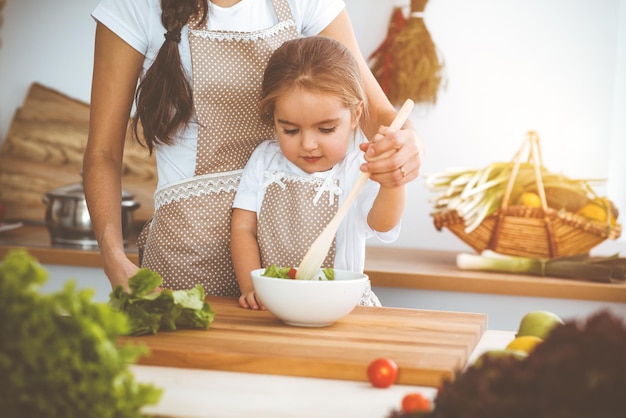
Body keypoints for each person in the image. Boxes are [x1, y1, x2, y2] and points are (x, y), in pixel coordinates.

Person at [83, 0, 425, 296]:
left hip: (289, 253)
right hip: (185, 256)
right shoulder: (134, 6)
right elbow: (103, 154)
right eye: (291, 129)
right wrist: (114, 259)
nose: (307, 141)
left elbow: (374, 110)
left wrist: (407, 145)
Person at [231, 36, 405, 310]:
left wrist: (392, 182)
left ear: (355, 115)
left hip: (342, 307)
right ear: (274, 117)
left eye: (325, 130)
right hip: (276, 304)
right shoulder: (265, 159)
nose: (308, 144)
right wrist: (252, 287)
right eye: (290, 130)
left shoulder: (358, 167)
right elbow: (243, 228)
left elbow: (381, 225)